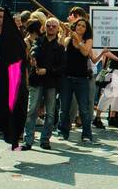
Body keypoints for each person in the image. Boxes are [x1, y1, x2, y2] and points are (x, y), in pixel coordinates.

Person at [23, 16, 64, 149]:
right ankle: (28, 140)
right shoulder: (39, 41)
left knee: (50, 113)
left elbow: (62, 67)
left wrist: (47, 71)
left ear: (58, 29)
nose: (50, 28)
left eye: (53, 26)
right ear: (44, 27)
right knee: (32, 110)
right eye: (48, 25)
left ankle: (45, 139)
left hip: (51, 82)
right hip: (36, 80)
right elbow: (34, 49)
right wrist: (33, 57)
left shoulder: (60, 47)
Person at [57, 16, 95, 143]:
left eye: (83, 26)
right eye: (78, 25)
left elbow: (85, 52)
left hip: (82, 79)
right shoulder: (69, 38)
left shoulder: (88, 40)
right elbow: (60, 45)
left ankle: (87, 134)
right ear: (75, 26)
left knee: (84, 109)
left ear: (86, 29)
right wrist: (63, 32)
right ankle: (63, 132)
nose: (80, 27)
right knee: (64, 108)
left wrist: (78, 40)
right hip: (66, 78)